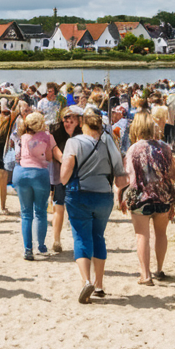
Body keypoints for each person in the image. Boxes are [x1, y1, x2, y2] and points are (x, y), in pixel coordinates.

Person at [59, 110, 128, 303]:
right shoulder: (109, 144)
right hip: (104, 195)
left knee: (81, 237)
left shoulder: (74, 142)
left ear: (83, 125)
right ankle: (99, 285)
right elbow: (120, 178)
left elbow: (64, 175)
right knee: (98, 237)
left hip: (79, 194)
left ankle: (86, 281)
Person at [121, 112, 175, 284]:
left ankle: (145, 275)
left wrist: (121, 195)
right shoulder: (164, 148)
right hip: (163, 197)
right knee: (161, 234)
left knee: (142, 236)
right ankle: (159, 269)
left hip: (140, 198)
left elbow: (127, 178)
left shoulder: (133, 150)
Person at [14, 112, 57, 259]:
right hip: (39, 174)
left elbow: (17, 155)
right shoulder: (46, 137)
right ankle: (41, 246)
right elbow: (49, 157)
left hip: (22, 173)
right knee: (40, 212)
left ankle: (28, 249)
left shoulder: (22, 137)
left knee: (26, 213)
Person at [47, 106, 82, 253]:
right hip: (60, 175)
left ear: (78, 121)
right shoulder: (56, 133)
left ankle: (79, 242)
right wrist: (65, 160)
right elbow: (55, 151)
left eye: (71, 120)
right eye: (66, 120)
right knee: (59, 206)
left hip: (78, 175)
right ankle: (56, 240)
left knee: (76, 209)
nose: (68, 123)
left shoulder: (82, 134)